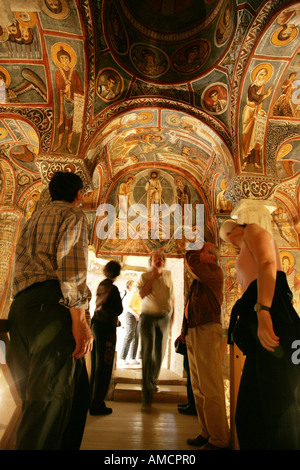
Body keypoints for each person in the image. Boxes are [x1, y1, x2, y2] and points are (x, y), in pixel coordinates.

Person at [7, 171, 93, 450]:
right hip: (52, 310)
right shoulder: (73, 216)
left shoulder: (33, 219)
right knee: (49, 403)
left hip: (21, 309)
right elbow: (71, 269)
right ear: (78, 195)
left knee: (61, 396)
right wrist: (79, 321)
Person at [220, 220, 300, 450]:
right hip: (259, 325)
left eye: (227, 237)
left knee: (280, 410)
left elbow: (267, 263)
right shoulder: (243, 247)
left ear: (231, 229)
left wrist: (263, 312)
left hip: (270, 317)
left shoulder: (252, 230)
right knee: (249, 415)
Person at [182, 242, 229, 450]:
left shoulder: (213, 271)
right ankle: (206, 431)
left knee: (211, 386)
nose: (198, 253)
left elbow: (190, 261)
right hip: (195, 330)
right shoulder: (200, 280)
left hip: (207, 329)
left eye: (203, 251)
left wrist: (193, 251)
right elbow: (191, 304)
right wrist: (184, 332)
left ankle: (219, 439)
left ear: (211, 257)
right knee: (198, 386)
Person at [137, 253, 174, 412]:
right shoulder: (144, 275)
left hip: (164, 318)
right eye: (155, 258)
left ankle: (152, 382)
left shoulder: (169, 275)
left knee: (159, 354)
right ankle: (146, 396)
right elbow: (141, 294)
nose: (159, 260)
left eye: (161, 259)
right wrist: (152, 278)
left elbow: (172, 297)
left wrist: (173, 316)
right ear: (151, 262)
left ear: (164, 261)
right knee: (148, 354)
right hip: (147, 319)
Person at [89, 260, 123, 415]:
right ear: (117, 273)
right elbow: (119, 309)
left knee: (96, 366)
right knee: (104, 366)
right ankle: (97, 404)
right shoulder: (113, 288)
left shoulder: (101, 285)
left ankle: (91, 400)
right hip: (106, 328)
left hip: (96, 325)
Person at [119, 280, 141, 365]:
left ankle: (132, 358)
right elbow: (128, 307)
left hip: (137, 316)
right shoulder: (134, 293)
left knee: (136, 336)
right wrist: (136, 315)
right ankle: (122, 358)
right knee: (129, 334)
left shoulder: (138, 294)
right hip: (131, 315)